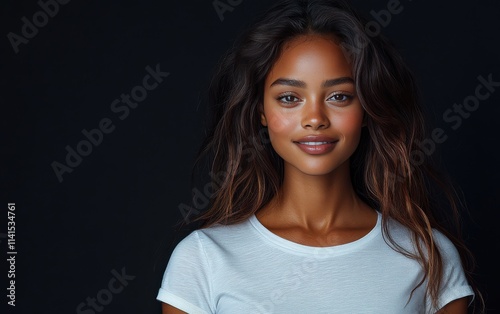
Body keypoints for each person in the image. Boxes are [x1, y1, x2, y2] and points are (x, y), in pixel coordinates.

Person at [157, 0, 484, 313]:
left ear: (367, 108)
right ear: (261, 111)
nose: (315, 118)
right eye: (289, 98)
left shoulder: (427, 256)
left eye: (339, 96)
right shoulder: (203, 259)